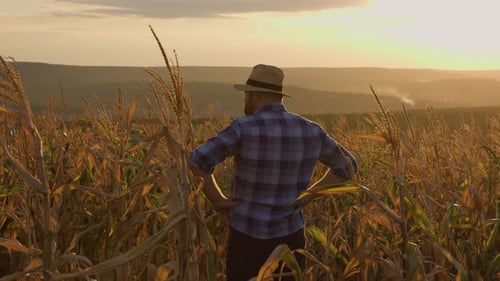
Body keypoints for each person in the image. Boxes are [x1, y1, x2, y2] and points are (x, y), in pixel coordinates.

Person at [189, 64, 358, 281]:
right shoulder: (310, 130)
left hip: (246, 238)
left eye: (247, 95)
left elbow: (197, 161)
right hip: (291, 241)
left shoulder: (243, 127)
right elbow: (348, 166)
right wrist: (309, 196)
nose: (245, 100)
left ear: (255, 95)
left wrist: (217, 200)